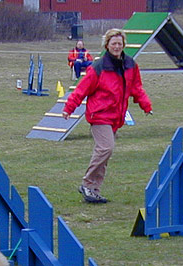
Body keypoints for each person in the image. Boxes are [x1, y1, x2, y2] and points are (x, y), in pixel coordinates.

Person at [62, 29, 152, 204]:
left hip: (116, 117)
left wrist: (146, 105)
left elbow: (137, 88)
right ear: (107, 45)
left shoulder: (130, 65)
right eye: (113, 43)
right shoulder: (98, 66)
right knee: (106, 148)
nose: (117, 46)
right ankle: (87, 183)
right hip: (99, 115)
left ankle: (94, 190)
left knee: (104, 155)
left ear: (123, 45)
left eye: (119, 43)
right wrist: (69, 108)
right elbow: (81, 89)